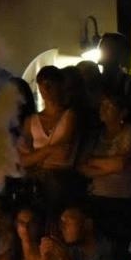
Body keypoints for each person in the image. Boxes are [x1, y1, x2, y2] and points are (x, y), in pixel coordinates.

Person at [78, 92, 131, 254]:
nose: (103, 109)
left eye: (109, 106)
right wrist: (111, 166)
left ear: (123, 112)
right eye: (102, 105)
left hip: (121, 201)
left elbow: (121, 163)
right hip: (96, 198)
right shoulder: (95, 135)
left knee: (117, 249)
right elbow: (81, 167)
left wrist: (93, 161)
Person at [19, 65, 81, 218]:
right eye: (42, 85)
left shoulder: (70, 115)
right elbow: (22, 160)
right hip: (38, 182)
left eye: (50, 85)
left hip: (62, 181)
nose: (45, 89)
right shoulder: (32, 120)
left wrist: (37, 156)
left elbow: (64, 152)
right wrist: (49, 150)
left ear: (60, 85)